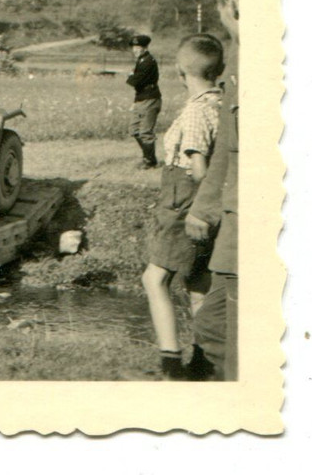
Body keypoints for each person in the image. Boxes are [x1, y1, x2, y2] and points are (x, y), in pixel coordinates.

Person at [140, 33, 225, 379]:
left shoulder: (195, 112)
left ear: (179, 70)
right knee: (197, 282)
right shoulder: (222, 103)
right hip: (205, 203)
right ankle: (204, 361)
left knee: (154, 279)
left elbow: (199, 167)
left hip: (184, 201)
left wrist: (194, 208)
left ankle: (171, 363)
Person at [185, 0, 240, 380]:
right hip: (235, 223)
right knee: (214, 328)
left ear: (231, 8)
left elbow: (226, 150)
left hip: (247, 233)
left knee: (230, 337)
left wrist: (205, 207)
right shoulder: (240, 59)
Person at [126, 33, 162, 168]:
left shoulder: (148, 61)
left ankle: (150, 161)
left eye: (138, 47)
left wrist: (131, 76)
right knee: (134, 129)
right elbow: (135, 81)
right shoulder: (141, 60)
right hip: (141, 98)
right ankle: (148, 157)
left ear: (145, 47)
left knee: (145, 132)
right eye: (133, 47)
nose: (135, 49)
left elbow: (135, 80)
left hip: (150, 98)